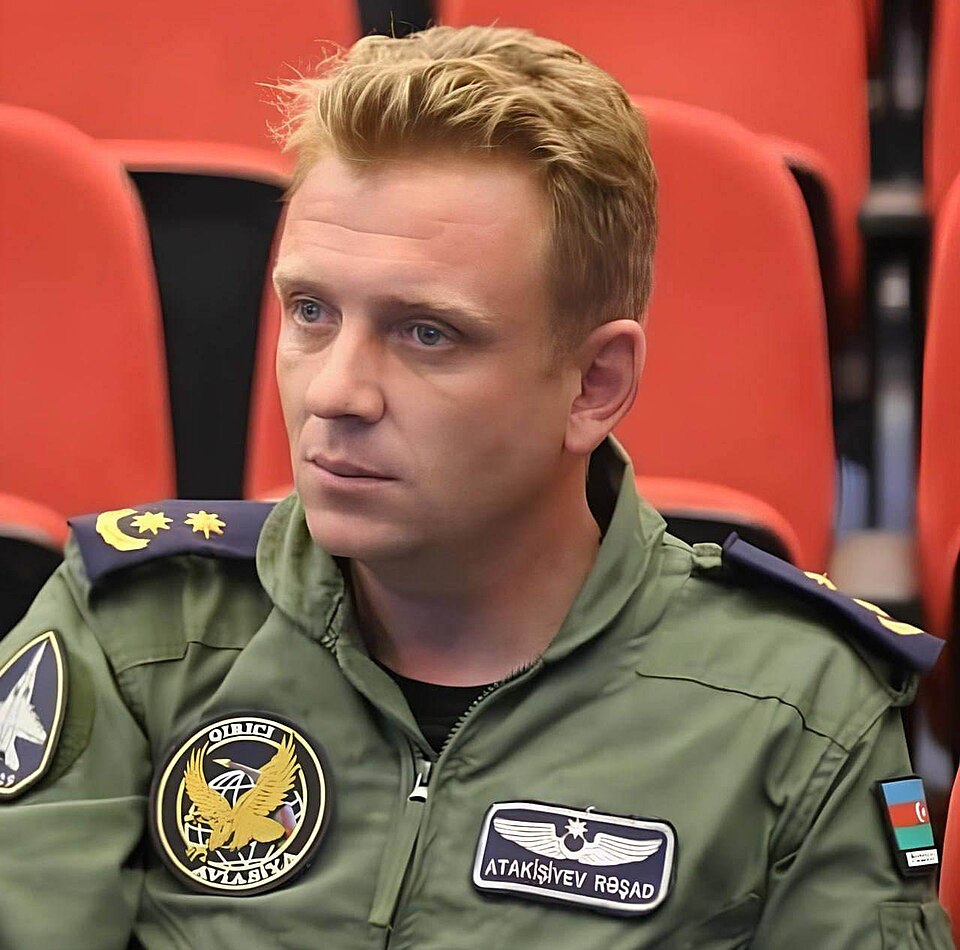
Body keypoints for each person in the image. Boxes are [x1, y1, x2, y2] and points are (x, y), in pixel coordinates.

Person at [0, 25, 952, 949]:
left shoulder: (798, 710)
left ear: (595, 385)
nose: (334, 392)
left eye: (427, 334)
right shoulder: (134, 631)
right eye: (311, 311)